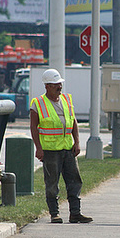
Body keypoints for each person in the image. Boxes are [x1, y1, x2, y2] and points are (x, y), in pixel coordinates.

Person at [30, 69, 92, 224]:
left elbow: (73, 122)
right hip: (50, 150)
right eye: (56, 85)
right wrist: (38, 148)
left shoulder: (66, 99)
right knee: (52, 183)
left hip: (68, 148)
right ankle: (54, 213)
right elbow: (33, 128)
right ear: (47, 86)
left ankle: (75, 213)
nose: (59, 87)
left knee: (74, 181)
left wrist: (77, 142)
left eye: (60, 84)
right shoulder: (38, 104)